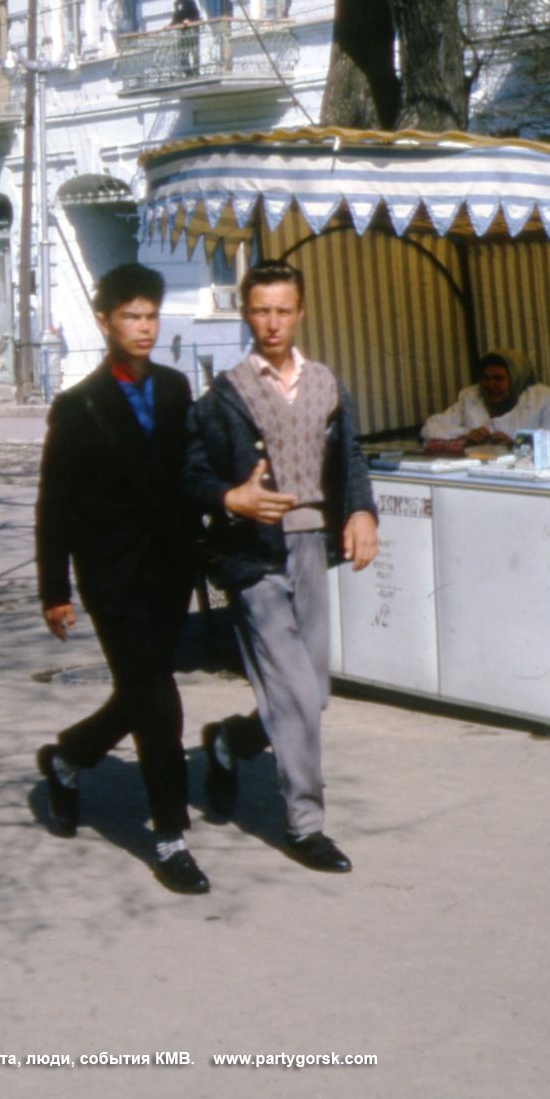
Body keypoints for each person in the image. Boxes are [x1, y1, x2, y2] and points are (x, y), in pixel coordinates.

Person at [184, 261, 378, 874]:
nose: (272, 322)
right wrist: (228, 496)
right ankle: (306, 825)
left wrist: (362, 512)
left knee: (312, 692)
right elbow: (188, 474)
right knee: (293, 694)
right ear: (246, 312)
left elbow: (349, 455)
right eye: (260, 310)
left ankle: (231, 741)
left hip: (309, 548)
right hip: (251, 557)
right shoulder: (224, 396)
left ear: (300, 313)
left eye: (283, 310)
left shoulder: (325, 383)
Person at [34, 264, 208, 895]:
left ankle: (69, 757)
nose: (144, 327)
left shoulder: (173, 387)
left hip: (169, 572)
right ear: (105, 321)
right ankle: (170, 837)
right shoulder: (77, 406)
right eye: (132, 316)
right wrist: (54, 591)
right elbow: (53, 504)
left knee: (141, 691)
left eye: (152, 315)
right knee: (158, 701)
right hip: (111, 578)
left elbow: (189, 473)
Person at [420, 349, 550, 456]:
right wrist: (467, 434)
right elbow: (429, 429)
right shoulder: (470, 396)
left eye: (498, 379)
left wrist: (516, 445)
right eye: (485, 378)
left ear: (515, 379)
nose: (490, 385)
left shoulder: (545, 399)